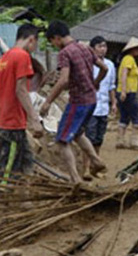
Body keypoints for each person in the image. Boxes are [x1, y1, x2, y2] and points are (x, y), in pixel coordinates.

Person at [40, 20, 108, 183]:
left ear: (56, 37)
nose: (54, 46)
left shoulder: (65, 53)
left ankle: (75, 179)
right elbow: (104, 68)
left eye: (52, 42)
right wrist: (96, 83)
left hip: (78, 102)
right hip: (92, 100)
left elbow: (63, 80)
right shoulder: (85, 48)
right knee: (78, 133)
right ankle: (97, 161)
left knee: (62, 140)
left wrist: (48, 101)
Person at [0, 23, 44, 177]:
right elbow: (21, 89)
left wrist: (0, 113)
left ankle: (24, 196)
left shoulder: (4, 58)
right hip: (12, 122)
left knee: (27, 161)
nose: (35, 47)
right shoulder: (22, 56)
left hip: (5, 120)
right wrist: (34, 119)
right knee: (7, 169)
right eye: (36, 43)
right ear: (31, 39)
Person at [81, 36, 117, 180]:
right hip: (91, 107)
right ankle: (85, 169)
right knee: (88, 139)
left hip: (103, 108)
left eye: (105, 46)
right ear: (93, 48)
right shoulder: (88, 64)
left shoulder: (110, 65)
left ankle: (95, 167)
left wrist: (113, 103)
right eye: (100, 46)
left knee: (98, 140)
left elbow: (111, 86)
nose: (103, 49)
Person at [116, 37, 138, 150]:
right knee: (137, 115)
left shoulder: (127, 59)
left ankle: (120, 139)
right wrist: (124, 91)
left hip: (122, 91)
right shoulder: (129, 59)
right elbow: (124, 74)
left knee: (124, 116)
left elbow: (129, 74)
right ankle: (134, 141)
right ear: (132, 49)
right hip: (129, 92)